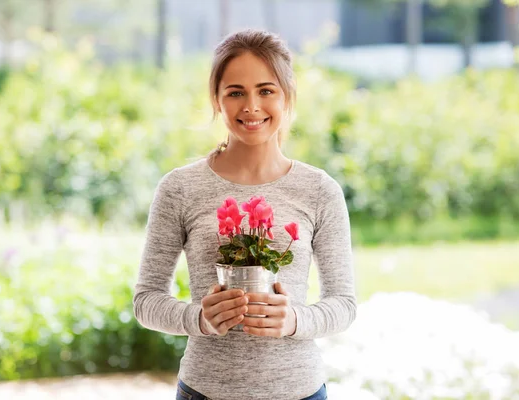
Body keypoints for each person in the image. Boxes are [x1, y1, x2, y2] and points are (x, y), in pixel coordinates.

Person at [133, 29, 356, 400]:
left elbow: (344, 305)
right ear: (217, 101)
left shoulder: (320, 191)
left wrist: (295, 320)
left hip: (299, 391)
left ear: (287, 98)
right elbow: (146, 301)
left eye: (266, 90)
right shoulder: (179, 189)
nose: (251, 106)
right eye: (235, 92)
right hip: (204, 391)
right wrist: (199, 319)